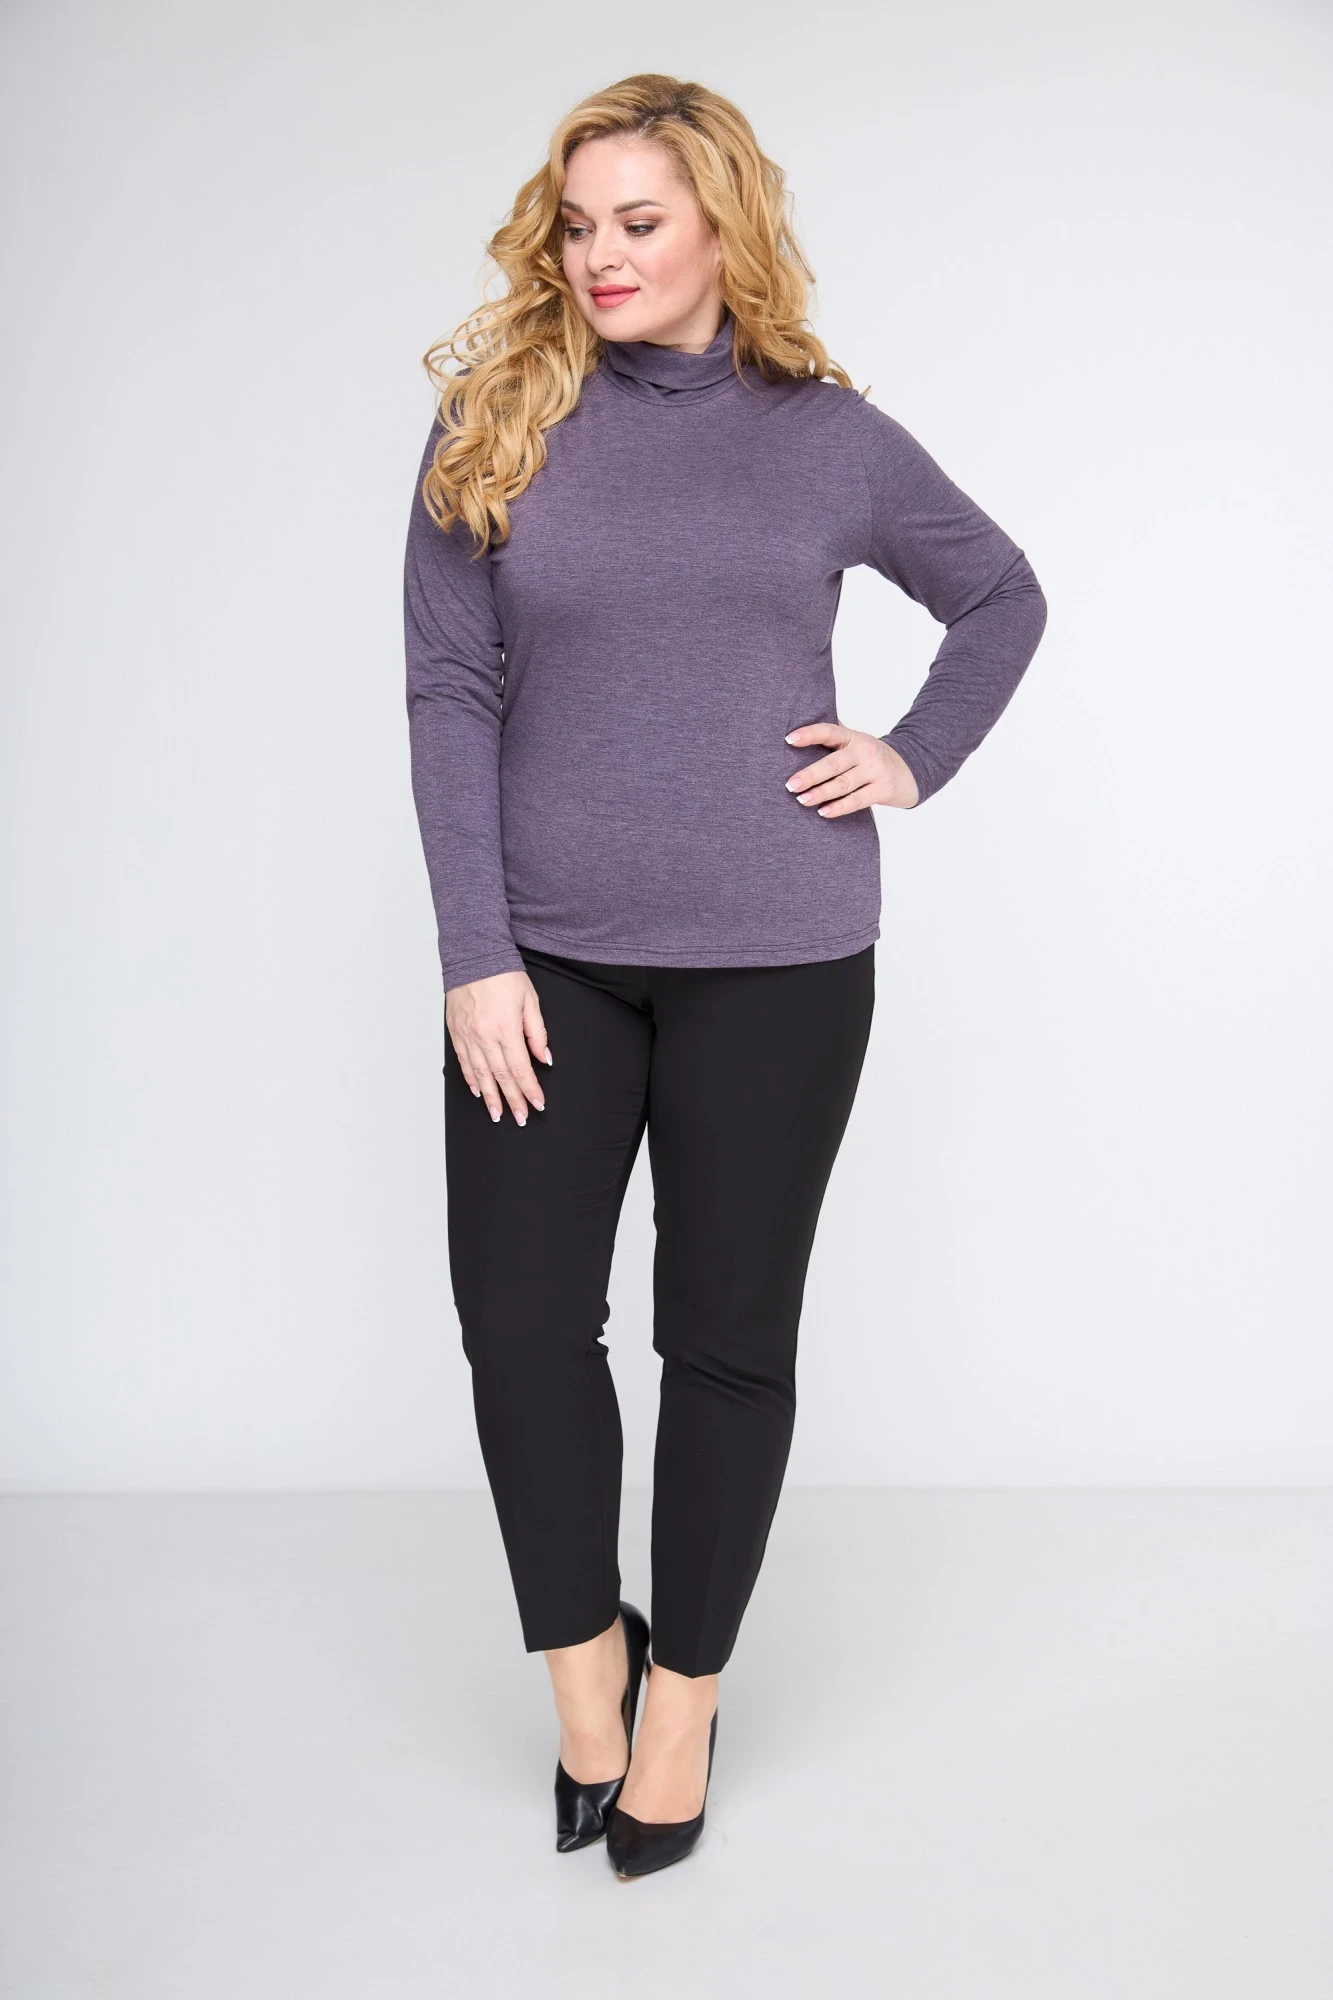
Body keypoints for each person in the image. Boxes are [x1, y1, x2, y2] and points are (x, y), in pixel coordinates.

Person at [402, 72, 1047, 1879]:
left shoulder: (825, 440)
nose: (599, 255)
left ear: (721, 230)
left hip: (780, 957)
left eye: (640, 222)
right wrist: (474, 953)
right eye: (577, 224)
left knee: (726, 1340)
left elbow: (1000, 595)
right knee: (523, 1326)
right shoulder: (497, 419)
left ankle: (683, 1698)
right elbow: (449, 689)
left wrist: (912, 753)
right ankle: (583, 1683)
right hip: (543, 963)